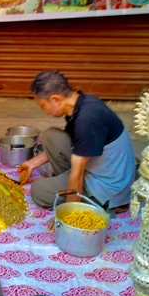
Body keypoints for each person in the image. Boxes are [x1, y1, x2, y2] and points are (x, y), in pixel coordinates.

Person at [19, 70, 136, 212]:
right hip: (100, 166)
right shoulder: (82, 103)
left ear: (55, 99)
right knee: (51, 136)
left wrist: (70, 214)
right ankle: (69, 186)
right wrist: (32, 163)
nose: (43, 110)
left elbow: (77, 173)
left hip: (110, 186)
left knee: (39, 191)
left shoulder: (86, 120)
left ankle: (100, 203)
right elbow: (73, 142)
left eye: (42, 105)